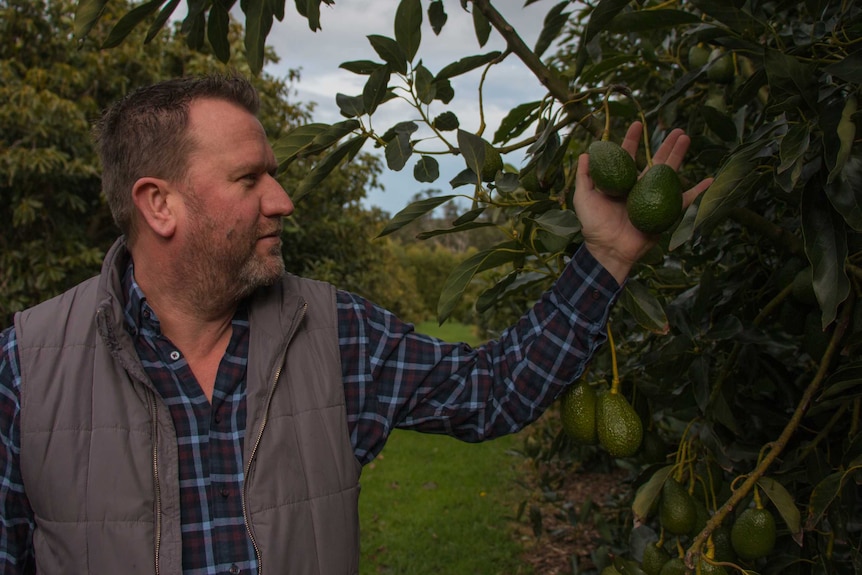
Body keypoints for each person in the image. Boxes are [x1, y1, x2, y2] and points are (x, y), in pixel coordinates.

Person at [0, 73, 711, 574]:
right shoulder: (27, 368)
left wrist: (607, 257)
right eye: (250, 180)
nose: (281, 199)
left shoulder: (336, 334)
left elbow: (492, 388)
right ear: (159, 204)